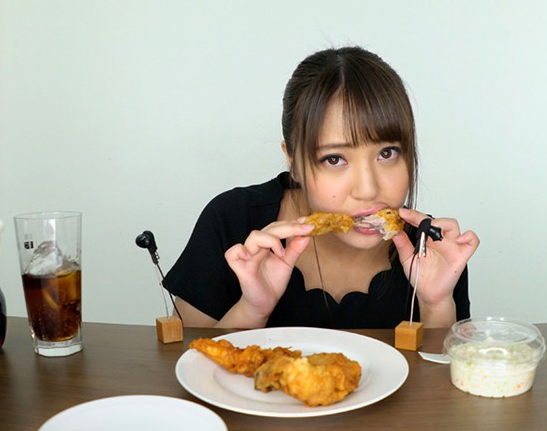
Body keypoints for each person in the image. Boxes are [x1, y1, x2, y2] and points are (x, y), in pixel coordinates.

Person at [162, 46, 479, 329]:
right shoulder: (233, 221)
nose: (368, 190)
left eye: (387, 153)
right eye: (334, 159)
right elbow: (183, 363)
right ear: (293, 161)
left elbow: (449, 375)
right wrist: (252, 310)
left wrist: (437, 305)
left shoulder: (433, 249)